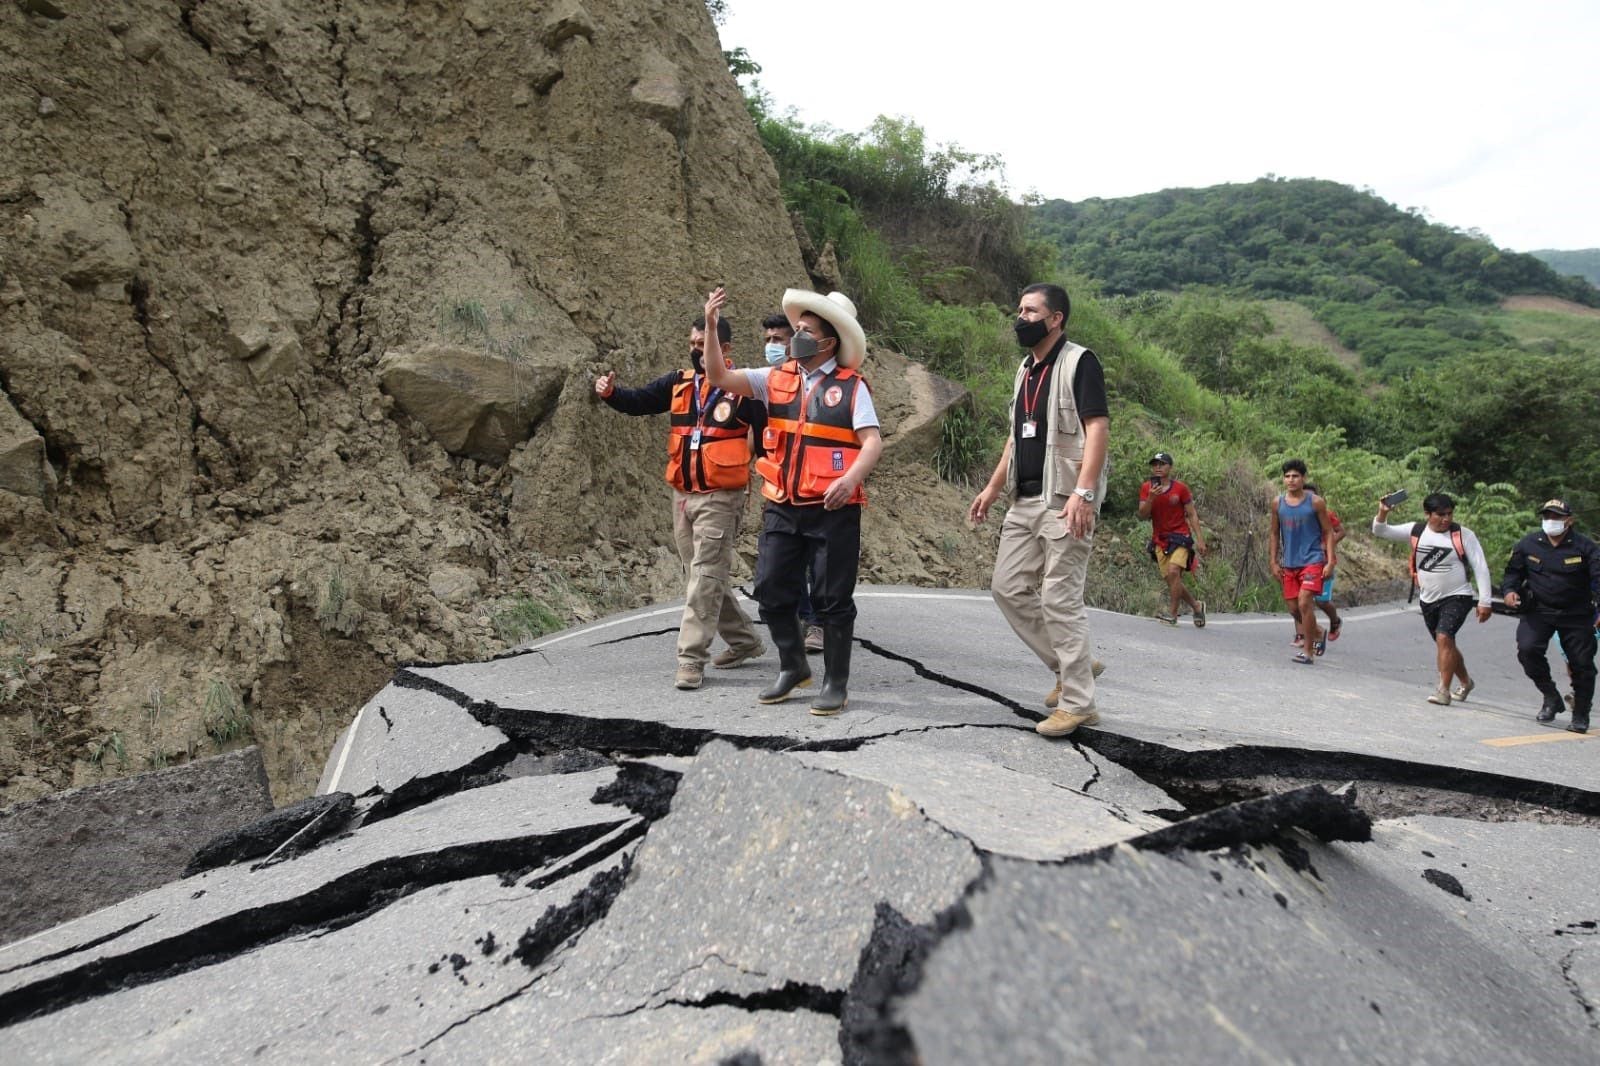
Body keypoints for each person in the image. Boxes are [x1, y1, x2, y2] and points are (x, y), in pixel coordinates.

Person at [702, 286, 882, 716]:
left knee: (832, 599)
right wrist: (710, 327)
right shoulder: (774, 379)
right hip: (782, 504)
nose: (795, 335)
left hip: (833, 509)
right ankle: (793, 665)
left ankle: (835, 682)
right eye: (796, 327)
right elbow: (719, 377)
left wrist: (849, 479)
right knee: (769, 589)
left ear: (828, 342)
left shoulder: (852, 387)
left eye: (805, 330)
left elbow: (872, 442)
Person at [593, 313, 766, 690]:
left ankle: (691, 659)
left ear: (725, 349)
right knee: (702, 576)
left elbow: (769, 437)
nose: (696, 350)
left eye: (703, 344)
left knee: (704, 575)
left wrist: (765, 466)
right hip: (682, 496)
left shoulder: (744, 388)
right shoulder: (678, 383)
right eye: (692, 344)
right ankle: (745, 641)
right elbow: (638, 401)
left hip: (721, 498)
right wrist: (609, 393)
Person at [969, 283, 1110, 738]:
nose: (1020, 317)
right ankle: (1073, 663)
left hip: (1064, 500)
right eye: (1019, 309)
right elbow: (1017, 435)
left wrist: (1084, 494)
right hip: (1024, 499)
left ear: (1056, 319)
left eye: (1030, 311)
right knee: (1007, 588)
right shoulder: (1024, 370)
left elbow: (1097, 429)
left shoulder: (1079, 362)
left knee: (1059, 598)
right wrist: (992, 488)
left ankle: (1079, 702)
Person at [1370, 492, 1493, 705]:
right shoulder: (1416, 531)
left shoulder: (1463, 535)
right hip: (1428, 599)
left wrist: (1485, 601)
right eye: (1440, 514)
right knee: (1445, 644)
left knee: (1444, 638)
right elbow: (1380, 530)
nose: (1446, 519)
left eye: (1450, 514)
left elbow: (1480, 567)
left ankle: (1442, 691)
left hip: (1458, 595)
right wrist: (1383, 512)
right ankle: (1465, 682)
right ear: (1428, 514)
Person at [1500, 498, 1600, 733]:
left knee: (1582, 664)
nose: (1551, 521)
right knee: (1527, 651)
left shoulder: (1586, 548)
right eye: (1547, 517)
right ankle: (1551, 696)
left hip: (1576, 614)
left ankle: (1581, 714)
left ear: (1569, 521)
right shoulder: (1528, 544)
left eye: (1556, 517)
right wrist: (1510, 591)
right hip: (1539, 611)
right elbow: (1513, 573)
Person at [762, 311, 824, 656]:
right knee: (782, 563)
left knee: (818, 560)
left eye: (778, 339)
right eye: (768, 339)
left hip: (820, 488)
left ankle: (818, 620)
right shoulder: (769, 381)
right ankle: (803, 615)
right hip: (780, 487)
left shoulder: (825, 380)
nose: (772, 346)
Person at [1268, 459, 1335, 664]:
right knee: (1294, 609)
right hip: (1289, 562)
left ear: (1303, 478)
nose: (1291, 480)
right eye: (1287, 476)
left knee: (1305, 601)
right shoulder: (1277, 503)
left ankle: (1308, 652)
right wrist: (1273, 561)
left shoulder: (1315, 502)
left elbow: (1329, 531)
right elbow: (1273, 533)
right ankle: (1317, 631)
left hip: (1313, 560)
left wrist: (1330, 561)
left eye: (1295, 476)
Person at [1139, 451, 1207, 627]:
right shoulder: (1147, 488)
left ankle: (1173, 614)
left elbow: (1191, 514)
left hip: (1180, 536)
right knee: (1172, 579)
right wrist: (1151, 498)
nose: (1158, 467)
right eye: (1155, 464)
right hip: (1160, 540)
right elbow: (1142, 515)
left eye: (1162, 464)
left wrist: (1200, 539)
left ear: (1170, 467)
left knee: (1174, 571)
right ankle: (1196, 606)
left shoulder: (1181, 489)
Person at [1302, 484, 1346, 644]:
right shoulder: (1296, 515)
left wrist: (1327, 543)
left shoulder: (1326, 514)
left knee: (1321, 601)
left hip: (1324, 562)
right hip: (1303, 563)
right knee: (1302, 600)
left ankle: (1335, 621)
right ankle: (1307, 635)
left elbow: (1341, 531)